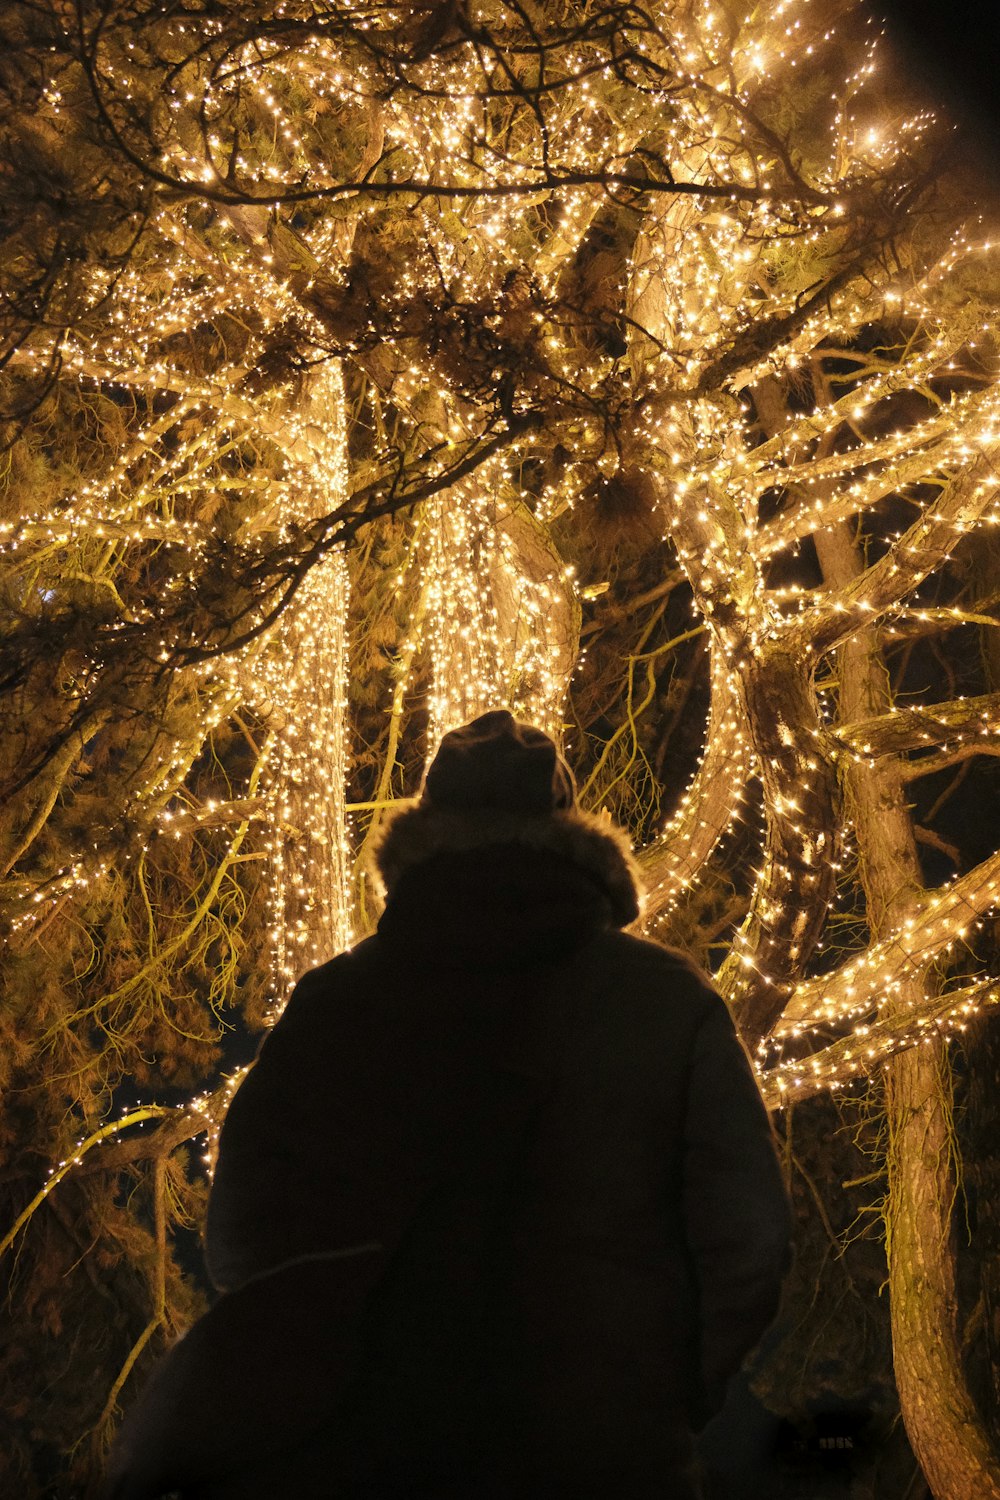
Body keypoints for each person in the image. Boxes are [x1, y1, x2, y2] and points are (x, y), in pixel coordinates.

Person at [107, 710, 791, 1499]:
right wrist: (666, 1393)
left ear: (422, 840)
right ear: (572, 839)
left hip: (373, 1450)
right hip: (601, 1454)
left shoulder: (338, 1006)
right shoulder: (668, 1005)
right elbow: (750, 1236)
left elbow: (240, 1236)